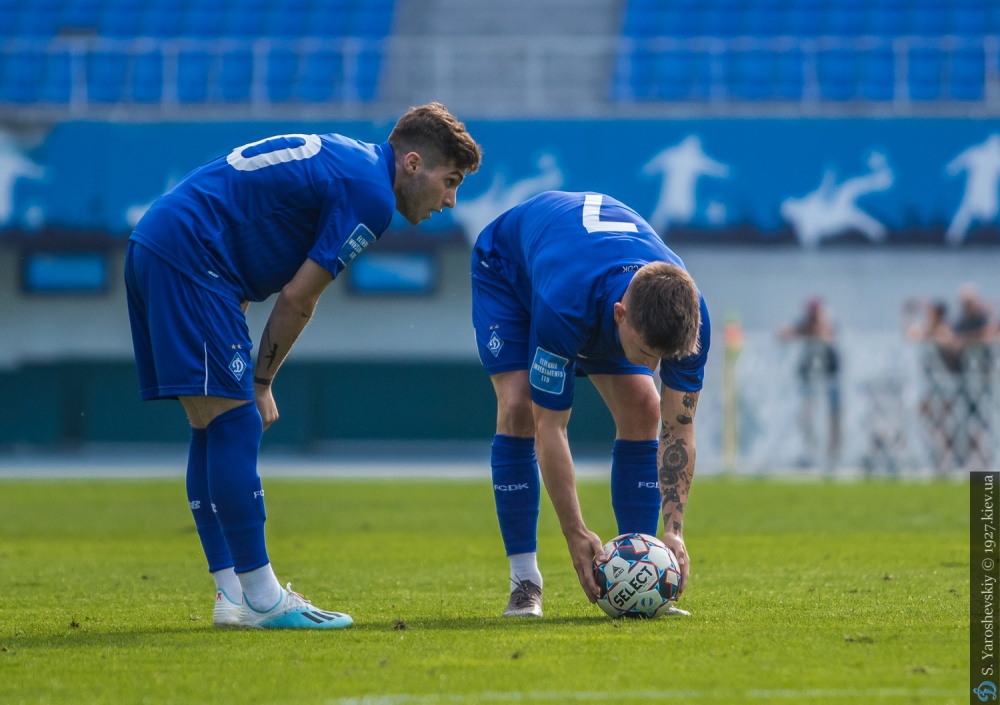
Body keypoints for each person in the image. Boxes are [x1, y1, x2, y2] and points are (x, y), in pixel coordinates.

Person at [125, 103, 482, 629]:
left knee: (211, 425)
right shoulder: (372, 195)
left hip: (161, 244)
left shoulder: (353, 160)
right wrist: (262, 381)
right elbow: (298, 298)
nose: (450, 201)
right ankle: (263, 599)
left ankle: (232, 595)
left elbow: (248, 216)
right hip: (191, 256)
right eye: (449, 181)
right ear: (412, 163)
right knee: (237, 421)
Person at [470, 190, 710, 617]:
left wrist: (673, 531)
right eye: (647, 352)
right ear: (620, 315)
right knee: (520, 407)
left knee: (646, 405)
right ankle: (525, 582)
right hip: (510, 272)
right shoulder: (564, 307)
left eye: (664, 357)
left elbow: (679, 427)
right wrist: (575, 532)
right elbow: (551, 426)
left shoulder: (693, 317)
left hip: (586, 274)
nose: (654, 367)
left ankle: (640, 575)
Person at [777, 298, 842, 472]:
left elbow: (827, 337)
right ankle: (810, 453)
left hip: (830, 382)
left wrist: (818, 326)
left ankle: (832, 457)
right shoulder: (804, 326)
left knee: (832, 419)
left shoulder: (827, 327)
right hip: (812, 384)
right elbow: (784, 333)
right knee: (807, 419)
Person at [903, 299, 962, 476]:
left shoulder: (944, 330)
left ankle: (947, 461)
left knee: (946, 424)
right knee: (927, 420)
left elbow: (948, 342)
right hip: (929, 385)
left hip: (946, 384)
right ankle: (935, 458)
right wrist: (909, 313)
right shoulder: (928, 329)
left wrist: (929, 330)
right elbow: (910, 335)